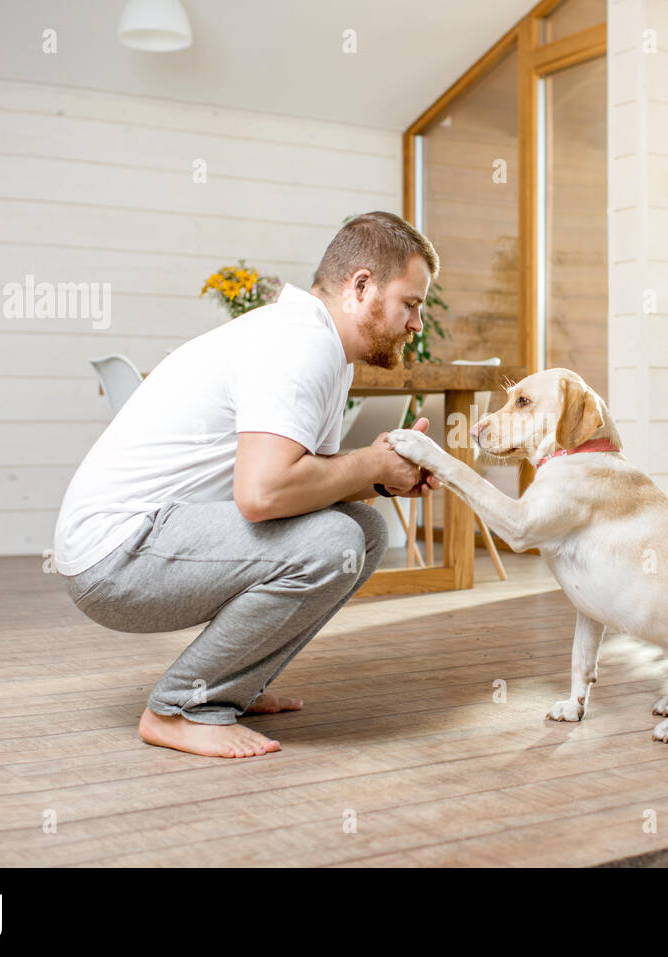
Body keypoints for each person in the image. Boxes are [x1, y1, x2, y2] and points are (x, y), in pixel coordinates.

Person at [54, 211, 442, 759]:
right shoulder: (298, 343)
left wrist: (383, 479)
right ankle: (180, 708)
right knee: (335, 544)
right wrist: (371, 464)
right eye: (411, 303)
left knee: (363, 531)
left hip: (149, 540)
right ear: (361, 286)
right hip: (116, 554)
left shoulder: (324, 350)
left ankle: (230, 685)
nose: (416, 324)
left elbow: (311, 485)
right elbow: (262, 496)